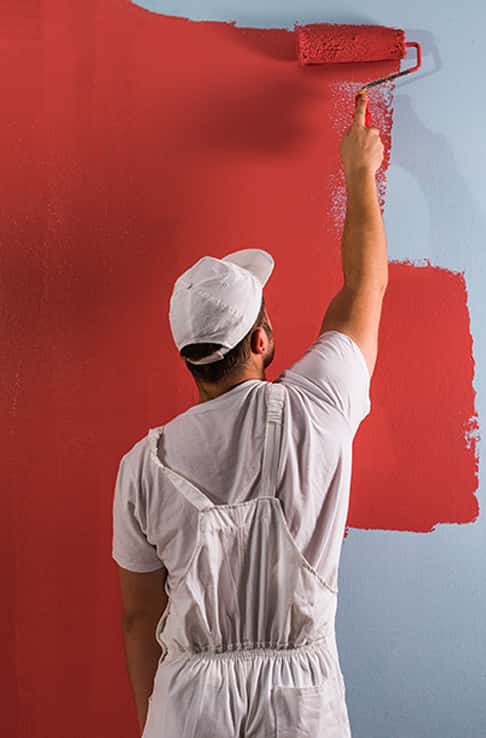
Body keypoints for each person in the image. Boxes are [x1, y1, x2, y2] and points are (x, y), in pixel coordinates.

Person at [112, 91, 387, 737]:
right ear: (261, 339)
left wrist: (161, 718)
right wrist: (358, 173)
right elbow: (363, 286)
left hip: (187, 698)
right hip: (302, 696)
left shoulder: (142, 466)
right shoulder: (316, 405)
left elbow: (136, 617)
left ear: (189, 358)